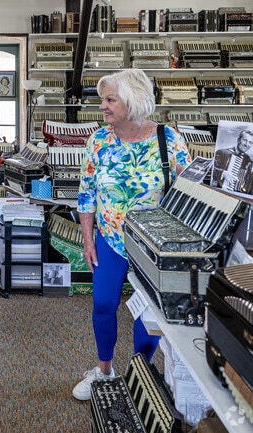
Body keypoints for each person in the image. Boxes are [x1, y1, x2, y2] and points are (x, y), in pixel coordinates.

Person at [73, 69, 191, 401]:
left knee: (146, 313)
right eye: (103, 100)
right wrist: (87, 238)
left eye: (110, 100)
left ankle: (139, 375)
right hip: (109, 240)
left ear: (132, 100)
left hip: (154, 246)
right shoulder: (98, 141)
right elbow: (86, 194)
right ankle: (104, 369)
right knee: (104, 303)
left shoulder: (170, 139)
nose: (103, 107)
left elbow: (190, 193)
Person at [212, 129, 253, 194]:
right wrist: (223, 173)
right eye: (245, 140)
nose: (247, 144)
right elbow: (211, 171)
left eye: (250, 142)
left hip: (240, 195)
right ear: (238, 140)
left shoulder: (249, 160)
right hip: (221, 192)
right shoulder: (222, 153)